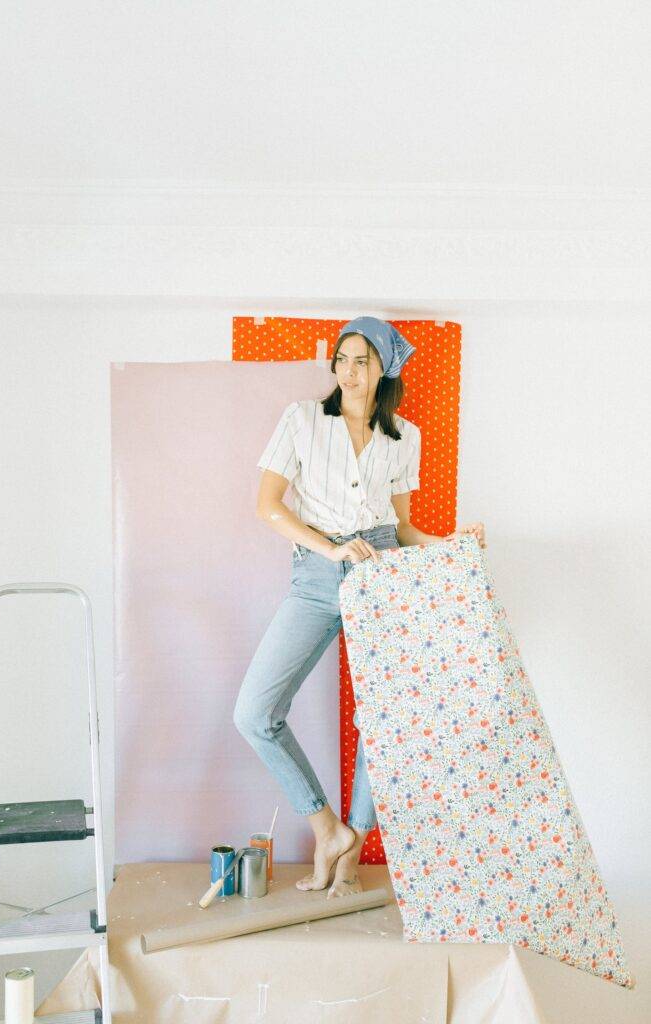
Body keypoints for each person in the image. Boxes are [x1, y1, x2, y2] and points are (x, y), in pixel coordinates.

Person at [233, 316, 486, 898]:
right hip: (316, 576)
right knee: (255, 712)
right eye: (342, 359)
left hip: (383, 576)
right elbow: (268, 506)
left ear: (383, 370)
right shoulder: (302, 419)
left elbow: (404, 528)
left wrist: (452, 544)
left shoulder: (404, 436)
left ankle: (353, 851)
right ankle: (328, 830)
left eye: (362, 361)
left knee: (381, 718)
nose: (348, 371)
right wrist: (331, 549)